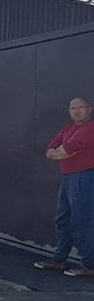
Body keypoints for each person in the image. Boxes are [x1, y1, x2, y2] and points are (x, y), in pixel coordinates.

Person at [35, 98, 94, 276]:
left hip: (84, 177)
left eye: (81, 107)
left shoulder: (90, 128)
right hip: (68, 178)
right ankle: (59, 260)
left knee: (81, 222)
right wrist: (59, 152)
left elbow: (65, 150)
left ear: (89, 109)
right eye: (73, 108)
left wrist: (61, 152)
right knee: (63, 220)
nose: (76, 111)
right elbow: (51, 148)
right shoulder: (67, 128)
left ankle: (89, 266)